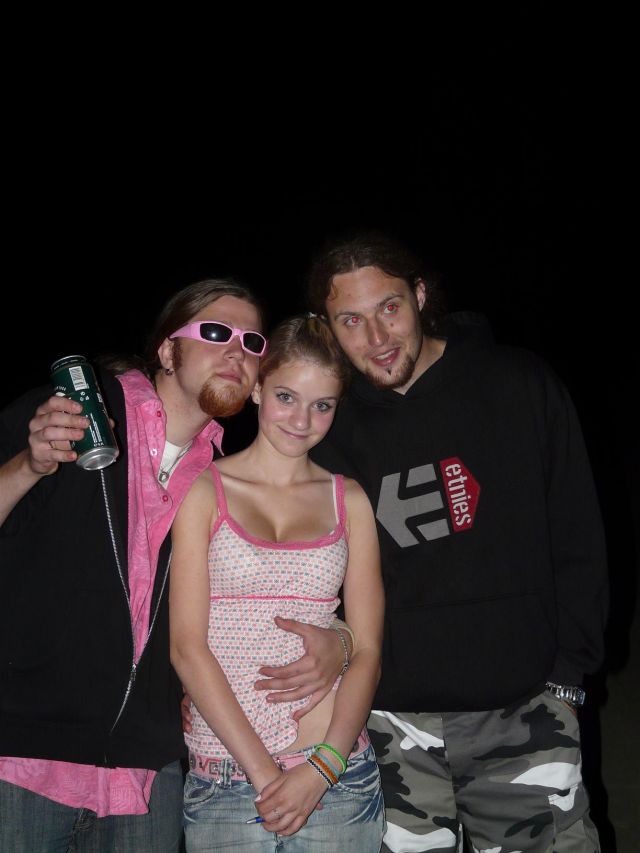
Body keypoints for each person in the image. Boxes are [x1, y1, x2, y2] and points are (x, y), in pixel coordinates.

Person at [0, 279, 348, 853]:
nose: (236, 350)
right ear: (167, 350)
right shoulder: (72, 414)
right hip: (25, 757)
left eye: (253, 342)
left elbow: (266, 607)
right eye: (215, 331)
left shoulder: (223, 476)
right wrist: (28, 465)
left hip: (151, 771)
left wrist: (342, 639)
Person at [303, 232, 609, 852]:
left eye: (389, 307)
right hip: (389, 725)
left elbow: (579, 534)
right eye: (351, 320)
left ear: (419, 296)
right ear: (327, 329)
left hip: (524, 712)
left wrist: (568, 679)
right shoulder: (327, 428)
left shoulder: (518, 383)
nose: (377, 337)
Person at [169, 315, 386, 852]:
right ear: (259, 388)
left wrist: (323, 769)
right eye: (287, 397)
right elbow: (186, 647)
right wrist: (266, 777)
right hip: (225, 779)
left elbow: (368, 649)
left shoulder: (349, 499)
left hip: (337, 775)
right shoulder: (204, 490)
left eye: (322, 405)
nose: (302, 420)